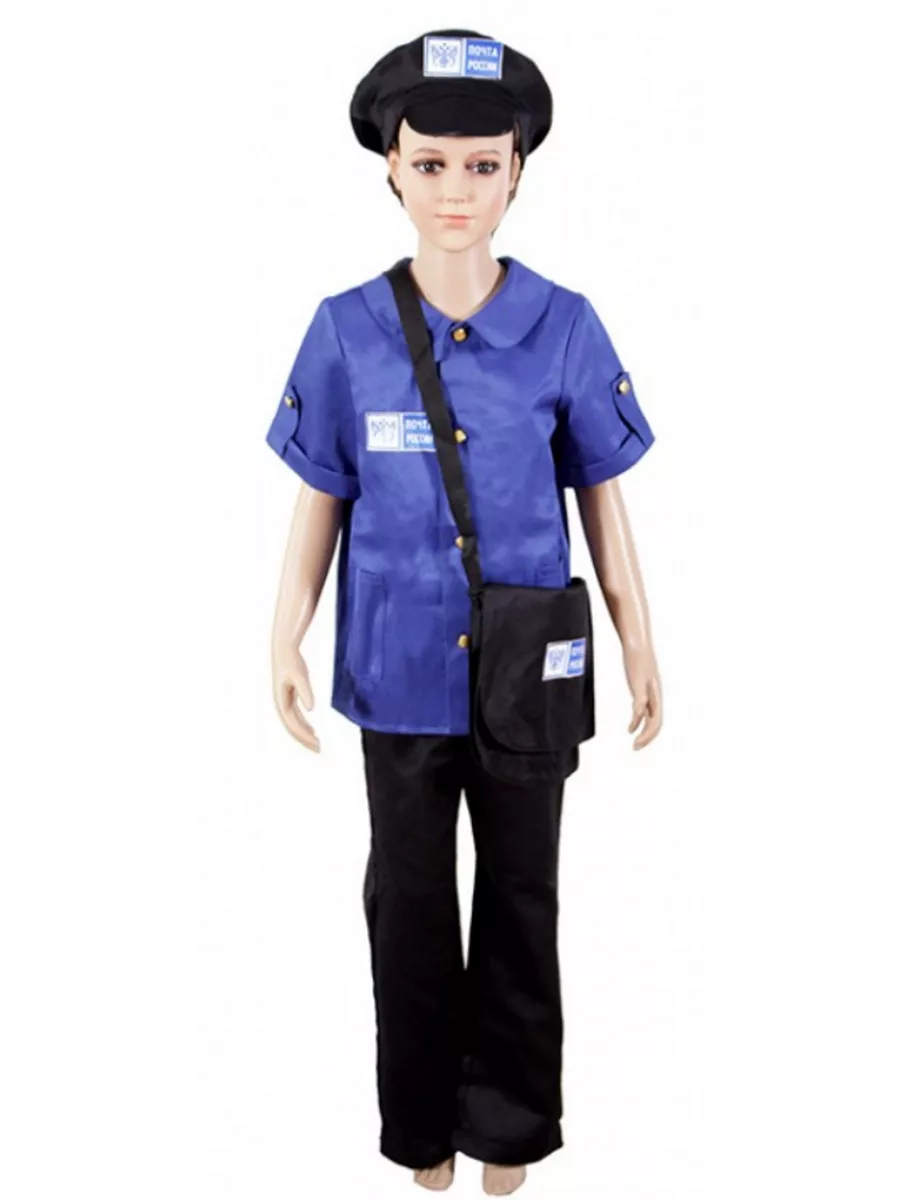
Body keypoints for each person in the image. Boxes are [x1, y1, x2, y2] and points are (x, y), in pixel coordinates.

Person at [265, 28, 663, 1196]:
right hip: (396, 668)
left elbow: (604, 500)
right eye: (431, 162)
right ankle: (421, 1126)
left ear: (518, 171)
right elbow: (320, 496)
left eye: (482, 165)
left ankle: (511, 1128)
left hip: (528, 670)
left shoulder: (566, 325)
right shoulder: (345, 330)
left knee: (524, 897)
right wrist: (281, 634)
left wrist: (641, 638)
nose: (456, 190)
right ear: (391, 166)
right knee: (407, 901)